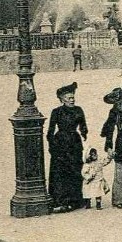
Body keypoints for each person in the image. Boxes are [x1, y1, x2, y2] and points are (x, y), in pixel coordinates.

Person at [47, 82, 88, 212]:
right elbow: (50, 132)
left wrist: (84, 132)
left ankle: (75, 201)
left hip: (75, 143)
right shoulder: (56, 112)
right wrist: (52, 146)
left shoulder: (79, 110)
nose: (72, 100)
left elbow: (83, 125)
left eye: (73, 97)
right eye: (69, 98)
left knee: (76, 170)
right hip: (61, 143)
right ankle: (60, 201)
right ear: (62, 99)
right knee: (60, 173)